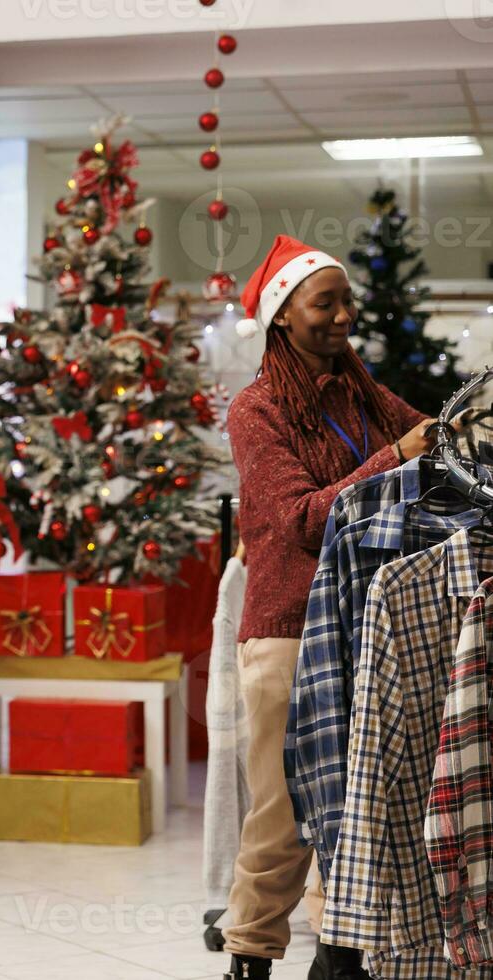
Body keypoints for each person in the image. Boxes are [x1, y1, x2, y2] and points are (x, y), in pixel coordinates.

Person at [222, 234, 434, 980]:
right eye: (326, 303)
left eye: (347, 300)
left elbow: (429, 438)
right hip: (288, 630)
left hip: (366, 625)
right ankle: (249, 955)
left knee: (366, 801)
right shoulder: (256, 411)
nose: (344, 315)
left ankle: (343, 952)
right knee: (284, 815)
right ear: (283, 316)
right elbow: (305, 519)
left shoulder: (363, 394)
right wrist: (396, 457)